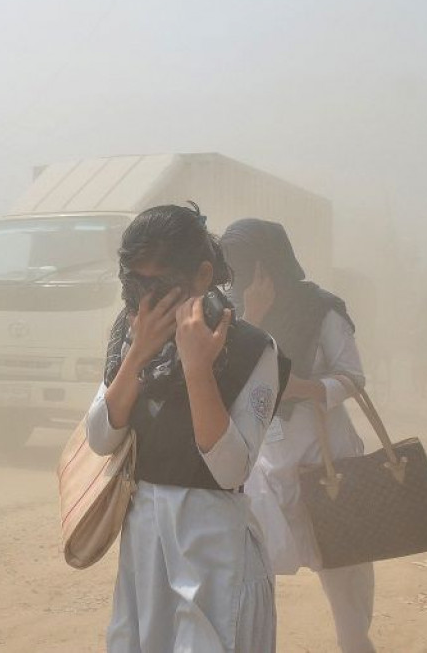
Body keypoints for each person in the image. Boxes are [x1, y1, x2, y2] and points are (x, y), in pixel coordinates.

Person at [86, 204, 287, 653]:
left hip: (214, 555)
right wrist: (137, 355)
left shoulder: (253, 349)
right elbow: (101, 437)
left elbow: (230, 470)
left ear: (201, 275)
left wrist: (198, 368)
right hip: (145, 551)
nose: (146, 301)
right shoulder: (129, 336)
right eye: (135, 285)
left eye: (159, 285)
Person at [220, 218, 377, 653]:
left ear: (271, 262)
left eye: (248, 263)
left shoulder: (321, 308)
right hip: (264, 464)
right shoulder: (229, 314)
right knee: (252, 572)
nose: (240, 274)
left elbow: (353, 377)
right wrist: (252, 316)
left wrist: (305, 388)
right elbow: (222, 379)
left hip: (327, 455)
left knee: (345, 571)